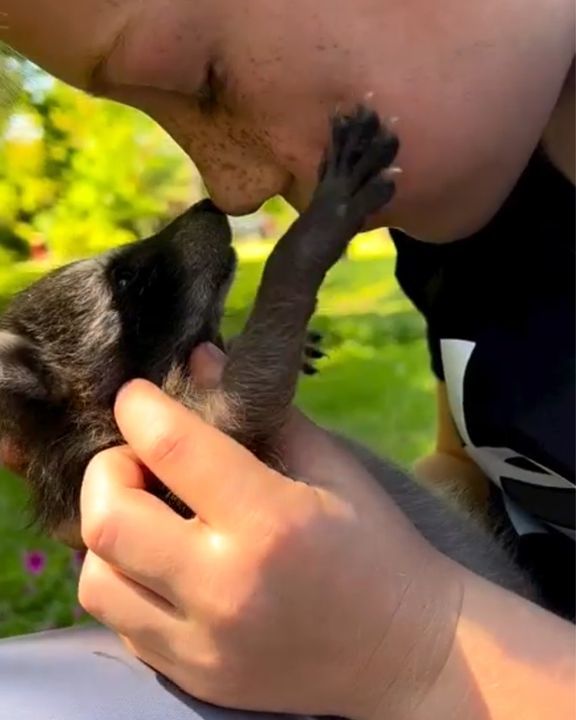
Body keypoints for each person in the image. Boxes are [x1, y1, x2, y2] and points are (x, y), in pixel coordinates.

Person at [0, 1, 574, 719]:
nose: (228, 191)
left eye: (207, 81)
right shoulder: (456, 247)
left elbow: (245, 396)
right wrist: (325, 569)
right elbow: (474, 465)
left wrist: (415, 648)